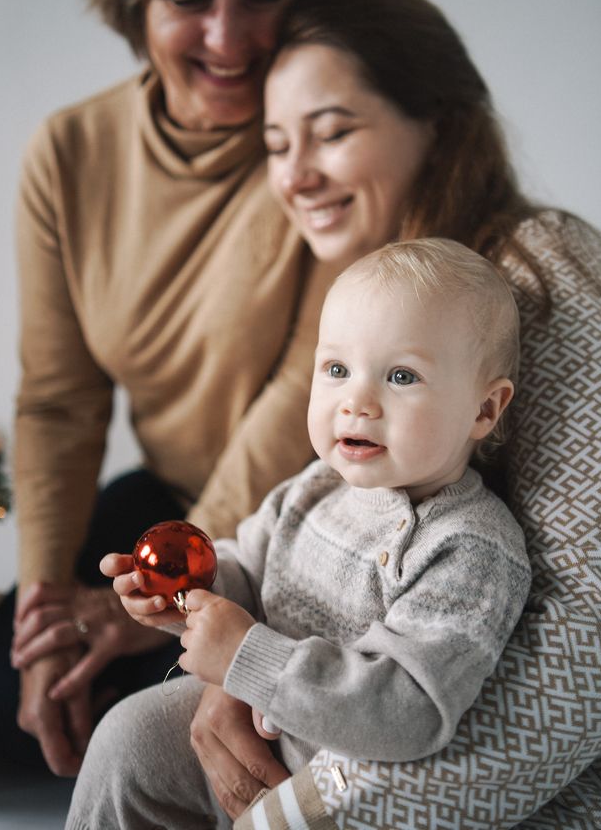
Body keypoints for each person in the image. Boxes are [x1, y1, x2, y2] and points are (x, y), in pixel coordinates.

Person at [94, 0, 601, 829]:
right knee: (130, 741)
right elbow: (280, 553)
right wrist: (219, 650)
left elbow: (589, 645)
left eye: (332, 131)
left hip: (459, 734)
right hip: (318, 680)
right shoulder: (366, 305)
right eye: (274, 143)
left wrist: (311, 804)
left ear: (438, 123)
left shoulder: (541, 273)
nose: (293, 176)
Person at [0, 0, 348, 778]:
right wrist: (45, 610)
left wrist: (175, 592)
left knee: (158, 718)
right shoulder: (71, 153)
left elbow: (295, 395)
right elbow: (60, 399)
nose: (229, 37)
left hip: (303, 521)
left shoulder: (326, 152)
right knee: (7, 681)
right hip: (172, 499)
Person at [64, 237, 533, 829]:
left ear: (484, 411)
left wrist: (247, 655)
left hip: (331, 780)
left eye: (402, 375)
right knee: (126, 740)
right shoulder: (314, 488)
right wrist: (186, 592)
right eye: (337, 368)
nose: (356, 401)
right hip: (258, 728)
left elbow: (410, 709)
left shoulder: (469, 545)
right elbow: (249, 568)